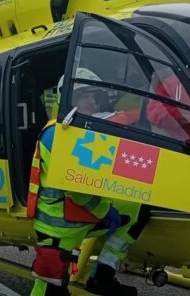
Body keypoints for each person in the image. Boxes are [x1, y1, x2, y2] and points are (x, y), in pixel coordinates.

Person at [29, 68, 145, 296]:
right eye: (84, 96)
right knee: (48, 287)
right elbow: (75, 189)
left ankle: (103, 275)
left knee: (136, 210)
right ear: (68, 98)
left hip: (73, 220)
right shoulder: (57, 135)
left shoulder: (75, 131)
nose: (92, 102)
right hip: (58, 226)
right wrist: (105, 211)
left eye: (94, 96)